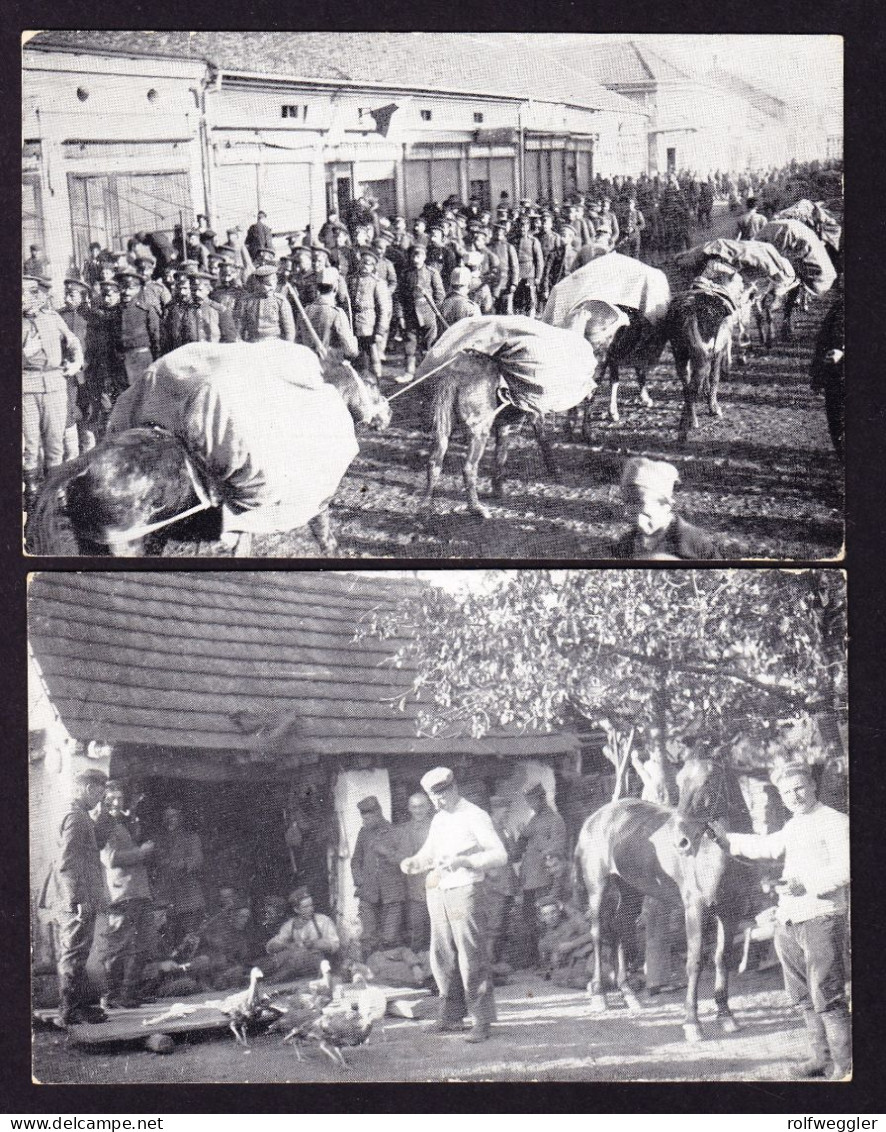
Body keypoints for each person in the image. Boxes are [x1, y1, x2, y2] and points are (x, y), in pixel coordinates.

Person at [717, 762, 851, 1080]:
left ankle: (845, 1066)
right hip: (790, 918)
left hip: (821, 917)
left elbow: (847, 868)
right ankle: (820, 1058)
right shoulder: (794, 825)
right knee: (803, 994)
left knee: (827, 992)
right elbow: (769, 845)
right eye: (787, 791)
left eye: (800, 788)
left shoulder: (835, 822)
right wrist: (724, 838)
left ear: (813, 786)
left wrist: (806, 883)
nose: (794, 795)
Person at [400, 767, 507, 1043]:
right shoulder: (439, 820)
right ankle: (450, 1016)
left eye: (441, 796)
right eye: (432, 799)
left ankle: (481, 1021)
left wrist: (466, 862)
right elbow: (430, 852)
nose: (438, 803)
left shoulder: (475, 815)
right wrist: (415, 862)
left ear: (453, 788)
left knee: (471, 956)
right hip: (440, 892)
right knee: (442, 955)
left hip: (466, 890)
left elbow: (499, 855)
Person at [38, 769, 109, 1027]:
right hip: (74, 896)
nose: (100, 799)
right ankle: (69, 1010)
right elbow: (68, 863)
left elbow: (90, 848)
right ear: (89, 789)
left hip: (75, 894)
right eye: (100, 793)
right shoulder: (76, 817)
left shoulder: (80, 815)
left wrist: (105, 818)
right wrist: (77, 899)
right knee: (74, 951)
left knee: (77, 950)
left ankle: (76, 1006)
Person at [22, 274, 84, 508]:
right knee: (31, 444)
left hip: (56, 385)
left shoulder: (53, 317)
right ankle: (32, 493)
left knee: (55, 441)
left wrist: (76, 361)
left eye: (31, 292)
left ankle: (56, 492)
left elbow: (73, 340)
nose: (26, 297)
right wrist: (25, 353)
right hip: (27, 387)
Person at [98, 783, 156, 1008]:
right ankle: (111, 996)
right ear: (102, 800)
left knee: (144, 944)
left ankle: (128, 993)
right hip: (122, 893)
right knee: (118, 946)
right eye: (111, 798)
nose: (116, 802)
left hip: (139, 892)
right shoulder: (103, 824)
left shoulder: (122, 823)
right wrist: (141, 852)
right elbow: (110, 858)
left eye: (119, 798)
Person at [612, 457, 725, 560]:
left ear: (665, 505)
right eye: (627, 502)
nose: (629, 510)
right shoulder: (627, 543)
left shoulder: (692, 541)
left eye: (639, 502)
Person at [513, 783, 567, 965]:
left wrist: (537, 843)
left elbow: (558, 848)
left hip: (544, 878)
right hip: (528, 880)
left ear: (542, 798)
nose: (530, 804)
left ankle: (551, 959)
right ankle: (535, 959)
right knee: (529, 920)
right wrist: (522, 836)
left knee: (547, 919)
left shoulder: (555, 820)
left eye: (532, 800)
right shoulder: (534, 820)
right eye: (528, 801)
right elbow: (519, 849)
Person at [351, 796, 406, 958]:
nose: (364, 822)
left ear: (378, 814)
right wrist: (359, 881)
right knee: (368, 937)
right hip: (368, 893)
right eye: (363, 818)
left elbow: (405, 860)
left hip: (392, 893)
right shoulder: (363, 833)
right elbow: (355, 861)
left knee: (390, 937)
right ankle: (369, 973)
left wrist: (386, 852)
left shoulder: (396, 832)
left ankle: (387, 972)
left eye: (367, 818)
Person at [151, 804, 206, 942]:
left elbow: (197, 860)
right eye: (167, 817)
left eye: (174, 816)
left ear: (180, 818)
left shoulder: (191, 837)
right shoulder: (158, 840)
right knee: (166, 935)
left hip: (187, 894)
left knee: (189, 936)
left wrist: (182, 864)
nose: (170, 819)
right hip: (166, 893)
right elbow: (155, 861)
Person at [263, 886, 341, 980]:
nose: (310, 909)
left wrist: (314, 944)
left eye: (311, 905)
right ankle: (263, 974)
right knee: (283, 956)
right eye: (305, 907)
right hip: (297, 964)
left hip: (319, 963)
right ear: (297, 910)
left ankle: (276, 977)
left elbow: (335, 944)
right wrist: (286, 945)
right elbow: (271, 946)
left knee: (299, 955)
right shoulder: (290, 925)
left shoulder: (323, 921)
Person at [397, 243, 445, 382]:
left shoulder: (432, 273)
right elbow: (399, 296)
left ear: (424, 257)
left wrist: (434, 312)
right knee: (409, 345)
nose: (416, 259)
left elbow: (439, 295)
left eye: (419, 255)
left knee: (428, 345)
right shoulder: (406, 274)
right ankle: (409, 372)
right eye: (414, 255)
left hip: (428, 315)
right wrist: (400, 315)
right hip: (410, 315)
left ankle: (427, 373)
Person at [485, 795, 519, 969]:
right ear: (496, 809)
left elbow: (512, 855)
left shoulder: (504, 828)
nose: (507, 812)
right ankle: (489, 962)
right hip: (495, 884)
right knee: (493, 923)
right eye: (504, 809)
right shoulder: (487, 829)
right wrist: (489, 871)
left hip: (507, 883)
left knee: (503, 922)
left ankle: (497, 961)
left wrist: (512, 836)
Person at [809, 290, 844, 460]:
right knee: (836, 423)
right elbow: (822, 341)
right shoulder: (837, 307)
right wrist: (816, 375)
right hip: (834, 377)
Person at [397, 792, 434, 951]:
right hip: (413, 890)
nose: (418, 810)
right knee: (416, 929)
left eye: (422, 806)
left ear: (428, 807)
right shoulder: (403, 830)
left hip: (435, 885)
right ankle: (418, 967)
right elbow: (400, 859)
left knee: (437, 929)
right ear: (409, 808)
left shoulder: (436, 826)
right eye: (414, 807)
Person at [348, 247, 392, 381]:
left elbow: (384, 309)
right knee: (355, 355)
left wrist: (380, 331)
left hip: (369, 325)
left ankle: (376, 380)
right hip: (353, 324)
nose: (364, 266)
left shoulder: (377, 283)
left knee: (372, 354)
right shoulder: (352, 280)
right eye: (362, 262)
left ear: (374, 266)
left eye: (368, 263)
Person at [536, 896, 596, 988]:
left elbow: (592, 934)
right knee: (560, 979)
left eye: (553, 912)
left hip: (588, 956)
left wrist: (572, 944)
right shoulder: (544, 940)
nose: (550, 917)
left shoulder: (572, 922)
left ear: (559, 911)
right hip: (571, 965)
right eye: (546, 914)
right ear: (542, 918)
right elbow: (549, 964)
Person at [300, 267, 359, 359]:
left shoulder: (305, 310)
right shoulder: (337, 313)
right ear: (335, 287)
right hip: (330, 364)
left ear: (317, 287)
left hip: (307, 362)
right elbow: (350, 350)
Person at [116, 266, 161, 383]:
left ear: (139, 289)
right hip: (121, 360)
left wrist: (157, 361)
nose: (125, 292)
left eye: (130, 288)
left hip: (141, 359)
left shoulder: (145, 309)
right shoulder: (116, 310)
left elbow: (156, 337)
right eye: (122, 288)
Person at [238, 263, 296, 342]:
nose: (271, 289)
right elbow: (239, 327)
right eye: (268, 285)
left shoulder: (280, 301)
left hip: (274, 343)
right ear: (258, 284)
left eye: (273, 285)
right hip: (252, 343)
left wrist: (288, 347)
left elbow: (289, 330)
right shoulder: (246, 301)